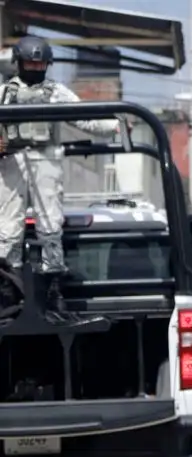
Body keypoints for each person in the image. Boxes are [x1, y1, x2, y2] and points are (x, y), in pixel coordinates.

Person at [0, 35, 121, 318]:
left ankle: (52, 290)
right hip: (11, 162)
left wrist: (115, 125)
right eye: (30, 62)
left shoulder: (56, 92)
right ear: (18, 63)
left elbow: (85, 117)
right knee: (7, 230)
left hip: (46, 160)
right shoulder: (4, 93)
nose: (34, 66)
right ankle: (8, 292)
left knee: (51, 226)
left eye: (39, 62)